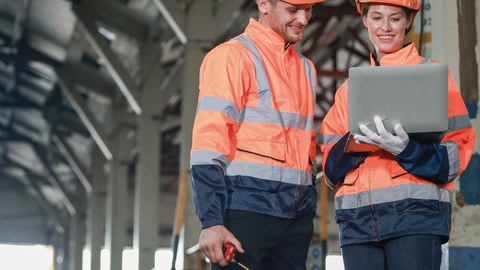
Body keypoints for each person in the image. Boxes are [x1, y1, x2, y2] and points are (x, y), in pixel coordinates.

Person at [318, 0, 476, 269]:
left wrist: (407, 149)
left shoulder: (432, 78)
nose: (385, 27)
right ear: (365, 20)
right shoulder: (348, 91)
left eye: (395, 19)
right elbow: (330, 170)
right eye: (377, 18)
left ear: (408, 22)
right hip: (357, 225)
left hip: (414, 219)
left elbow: (455, 157)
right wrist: (356, 142)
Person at [190, 0, 325, 269]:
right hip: (244, 213)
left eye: (309, 9)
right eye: (293, 10)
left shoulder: (306, 68)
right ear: (264, 4)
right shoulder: (232, 57)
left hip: (296, 219)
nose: (304, 18)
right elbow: (209, 145)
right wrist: (211, 221)